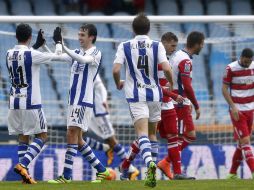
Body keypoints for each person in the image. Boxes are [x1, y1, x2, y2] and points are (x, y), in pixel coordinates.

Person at [119, 32, 194, 180]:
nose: (174, 49)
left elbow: (165, 85)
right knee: (145, 137)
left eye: (175, 46)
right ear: (164, 42)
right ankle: (126, 164)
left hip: (166, 103)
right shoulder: (154, 59)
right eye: (172, 45)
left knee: (173, 135)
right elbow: (155, 86)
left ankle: (177, 172)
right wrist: (174, 95)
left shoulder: (166, 60)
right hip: (154, 101)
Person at [113, 13, 173, 187]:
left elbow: (116, 70)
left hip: (136, 95)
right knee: (152, 134)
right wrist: (171, 83)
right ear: (149, 29)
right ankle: (150, 173)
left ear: (133, 29)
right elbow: (167, 68)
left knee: (142, 134)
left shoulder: (124, 46)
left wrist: (118, 84)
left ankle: (149, 165)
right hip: (155, 95)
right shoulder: (157, 45)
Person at [48, 24, 110, 183]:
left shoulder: (96, 52)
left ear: (92, 37)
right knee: (78, 139)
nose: (79, 37)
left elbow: (83, 59)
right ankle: (102, 170)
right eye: (79, 34)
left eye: (83, 35)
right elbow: (56, 56)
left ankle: (66, 176)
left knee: (71, 133)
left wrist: (63, 46)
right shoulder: (76, 52)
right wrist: (44, 44)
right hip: (73, 100)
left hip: (83, 101)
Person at [6, 23, 66, 184]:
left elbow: (24, 56)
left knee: (23, 136)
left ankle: (25, 177)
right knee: (42, 136)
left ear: (16, 36)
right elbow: (58, 56)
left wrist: (37, 46)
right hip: (31, 102)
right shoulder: (32, 54)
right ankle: (22, 165)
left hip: (14, 102)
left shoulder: (8, 53)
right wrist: (58, 42)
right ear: (30, 36)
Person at [158, 31, 205, 172]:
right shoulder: (185, 61)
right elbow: (187, 85)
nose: (202, 47)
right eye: (202, 44)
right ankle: (171, 166)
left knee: (190, 135)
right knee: (178, 136)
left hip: (177, 99)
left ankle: (166, 162)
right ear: (196, 44)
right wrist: (196, 105)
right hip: (178, 101)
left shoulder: (178, 54)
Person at [84, 74, 140, 180]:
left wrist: (104, 100)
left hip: (99, 112)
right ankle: (106, 148)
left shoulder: (92, 71)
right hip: (87, 112)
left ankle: (131, 169)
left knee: (111, 140)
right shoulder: (77, 70)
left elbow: (101, 87)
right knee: (78, 138)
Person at [222, 48, 254, 179]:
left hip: (251, 109)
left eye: (250, 61)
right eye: (246, 61)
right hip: (237, 111)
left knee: (241, 144)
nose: (247, 64)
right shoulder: (231, 68)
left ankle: (232, 173)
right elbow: (224, 89)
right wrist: (233, 107)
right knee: (246, 141)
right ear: (241, 57)